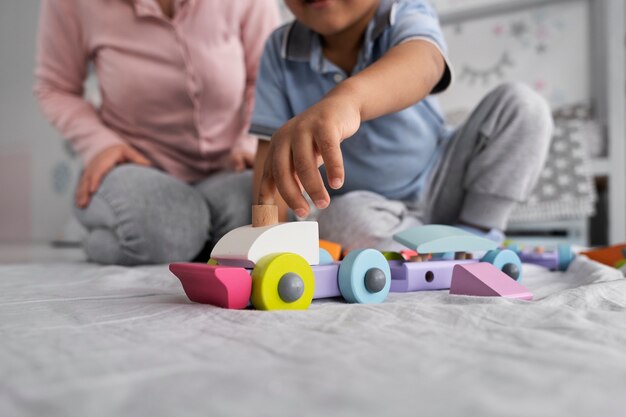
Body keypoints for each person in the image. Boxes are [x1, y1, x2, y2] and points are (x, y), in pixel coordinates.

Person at [252, 0, 552, 251]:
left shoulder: (403, 10)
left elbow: (426, 63)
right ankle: (429, 246)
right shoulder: (280, 50)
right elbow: (272, 157)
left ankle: (478, 235)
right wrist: (267, 243)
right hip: (369, 207)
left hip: (444, 177)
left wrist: (349, 100)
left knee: (522, 105)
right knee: (338, 220)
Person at [35, 0, 279, 264]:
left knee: (246, 211)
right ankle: (182, 239)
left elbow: (268, 77)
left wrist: (249, 142)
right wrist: (100, 144)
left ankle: (188, 240)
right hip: (134, 168)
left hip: (225, 168)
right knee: (168, 223)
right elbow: (55, 88)